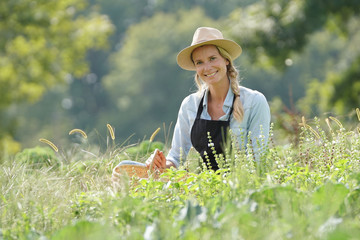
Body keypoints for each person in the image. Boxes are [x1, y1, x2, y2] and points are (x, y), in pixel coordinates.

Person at [113, 27, 270, 176]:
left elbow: (258, 162)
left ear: (226, 60)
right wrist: (159, 164)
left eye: (212, 58)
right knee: (123, 166)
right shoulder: (190, 105)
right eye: (199, 62)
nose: (207, 67)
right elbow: (175, 158)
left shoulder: (254, 101)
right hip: (200, 186)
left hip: (240, 188)